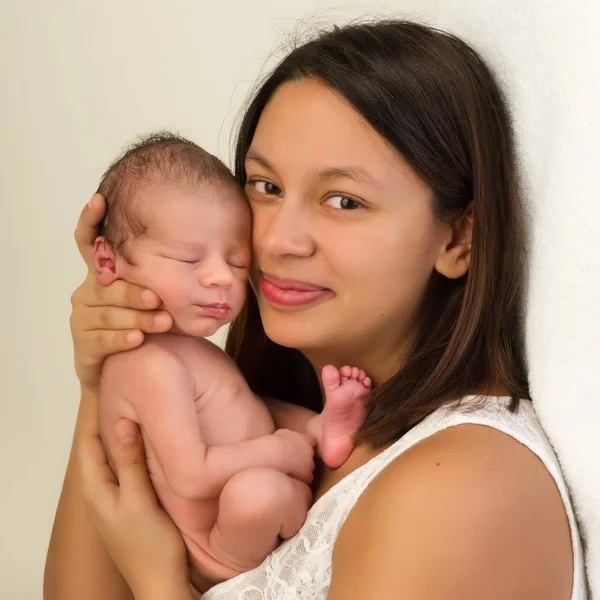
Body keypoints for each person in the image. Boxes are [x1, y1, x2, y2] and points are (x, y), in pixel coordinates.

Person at [44, 19, 588, 600]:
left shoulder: (460, 489)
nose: (278, 239)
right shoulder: (262, 414)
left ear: (457, 240)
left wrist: (158, 582)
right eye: (265, 186)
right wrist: (115, 357)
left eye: (343, 200)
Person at [93, 131, 370, 584]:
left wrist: (303, 430)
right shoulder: (145, 364)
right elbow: (191, 477)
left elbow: (241, 411)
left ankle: (324, 431)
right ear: (108, 263)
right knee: (255, 494)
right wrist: (278, 449)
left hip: (265, 478)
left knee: (250, 408)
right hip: (215, 548)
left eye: (237, 262)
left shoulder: (183, 348)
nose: (221, 278)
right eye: (188, 260)